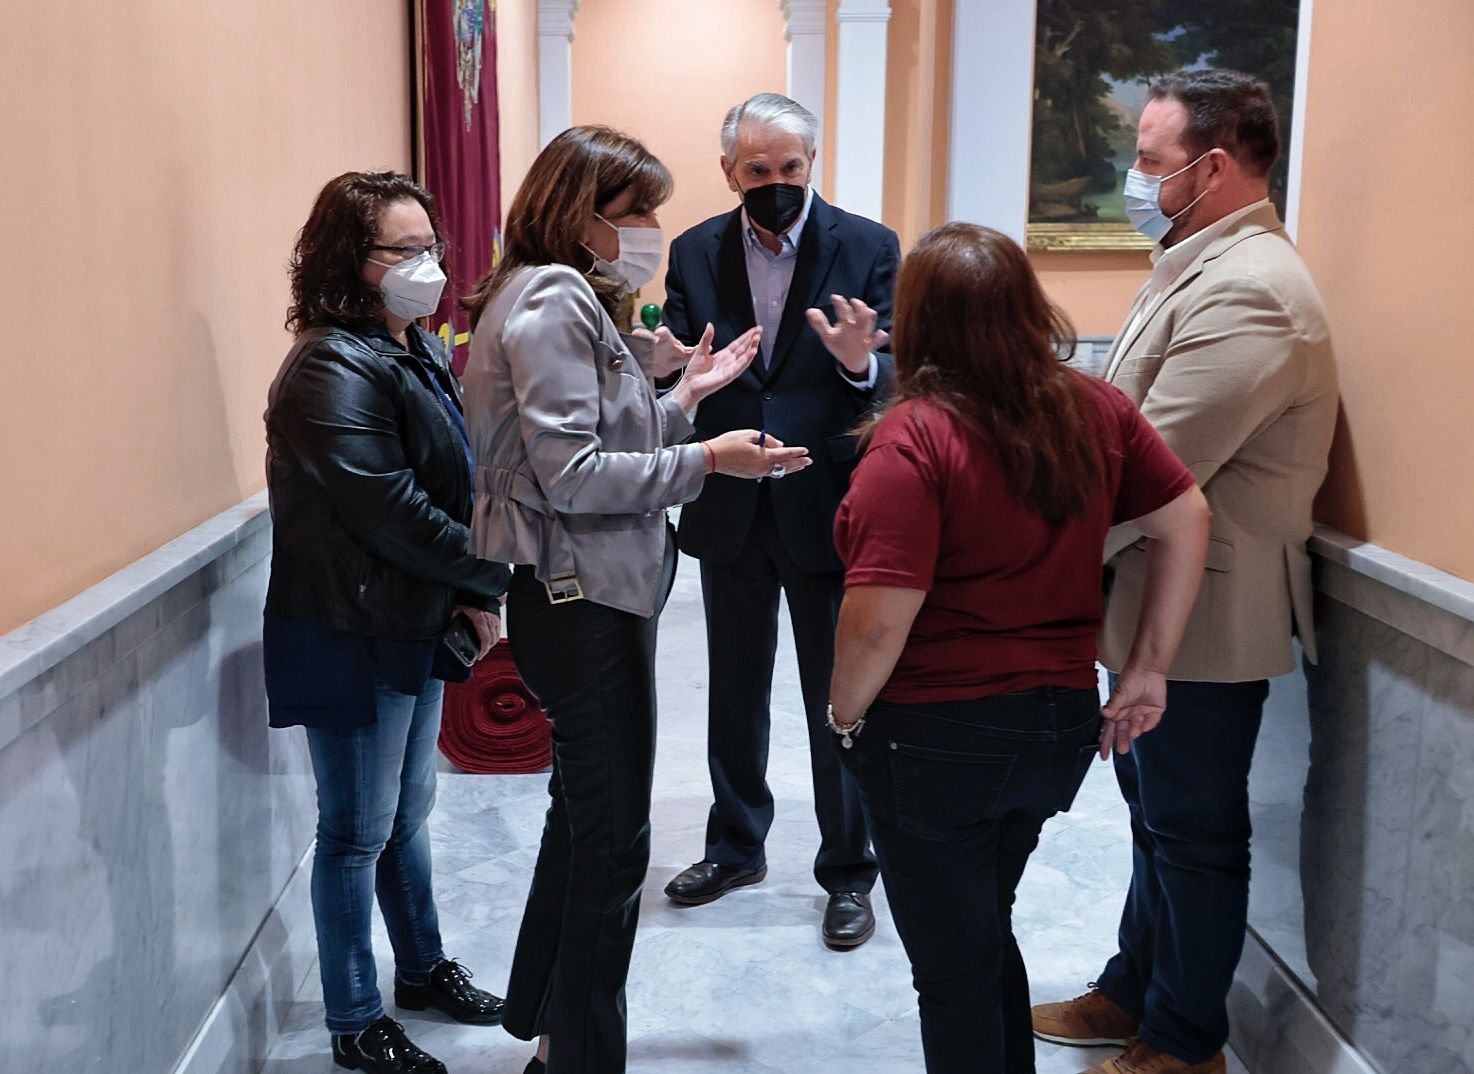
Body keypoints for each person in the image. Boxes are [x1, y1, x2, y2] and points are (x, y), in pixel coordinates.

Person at [459, 125, 809, 1074]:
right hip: (581, 608)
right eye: (637, 211)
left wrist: (687, 394)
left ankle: (542, 1021)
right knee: (615, 851)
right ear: (585, 217)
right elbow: (574, 477)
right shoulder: (554, 302)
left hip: (583, 599)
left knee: (583, 824)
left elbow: (596, 439)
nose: (654, 227)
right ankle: (578, 1059)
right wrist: (709, 459)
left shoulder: (544, 291)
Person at [827, 222, 1211, 1074]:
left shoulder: (915, 437)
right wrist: (1148, 667)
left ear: (917, 320)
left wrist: (843, 715)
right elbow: (1187, 517)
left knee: (952, 973)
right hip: (1053, 729)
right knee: (980, 931)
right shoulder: (1093, 407)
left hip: (935, 737)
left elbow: (880, 619)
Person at [1030, 69, 1338, 1074]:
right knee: (1153, 816)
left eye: (1151, 161)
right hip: (1159, 600)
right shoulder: (1194, 261)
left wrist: (1024, 561)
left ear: (1211, 166)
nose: (1135, 177)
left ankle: (1183, 1039)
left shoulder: (1251, 287)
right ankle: (1133, 989)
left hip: (1205, 615)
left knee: (1195, 831)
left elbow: (1146, 464)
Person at [263, 171, 513, 1074]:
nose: (427, 266)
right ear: (348, 259)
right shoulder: (330, 365)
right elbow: (392, 510)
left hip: (406, 619)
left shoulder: (404, 347)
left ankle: (422, 969)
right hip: (349, 629)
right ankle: (355, 1020)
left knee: (409, 814)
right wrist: (494, 572)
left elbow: (452, 481)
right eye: (402, 252)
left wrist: (472, 589)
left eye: (430, 247)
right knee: (355, 830)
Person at [660, 92, 898, 948]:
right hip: (730, 499)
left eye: (789, 168)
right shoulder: (693, 251)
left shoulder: (868, 246)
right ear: (730, 172)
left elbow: (898, 374)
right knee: (734, 685)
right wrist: (672, 377)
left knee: (839, 697)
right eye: (756, 170)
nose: (775, 183)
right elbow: (683, 365)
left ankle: (847, 871)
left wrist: (866, 366)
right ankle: (735, 846)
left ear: (811, 164)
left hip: (824, 503)